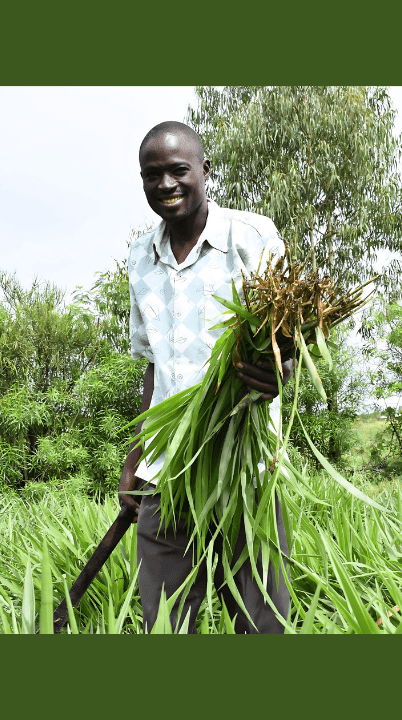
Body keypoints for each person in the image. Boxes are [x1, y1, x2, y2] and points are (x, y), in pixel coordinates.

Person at [120, 121, 295, 633]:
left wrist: (280, 369)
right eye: (152, 175)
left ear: (205, 171)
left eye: (178, 170)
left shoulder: (250, 236)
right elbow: (152, 363)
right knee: (166, 621)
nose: (166, 184)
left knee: (261, 616)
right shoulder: (139, 257)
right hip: (166, 465)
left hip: (244, 459)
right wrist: (136, 454)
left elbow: (287, 338)